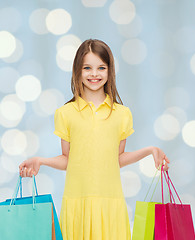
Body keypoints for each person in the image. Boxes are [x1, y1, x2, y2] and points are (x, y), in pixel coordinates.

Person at [19, 39, 170, 240]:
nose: (94, 74)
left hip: (111, 205)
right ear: (77, 71)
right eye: (87, 68)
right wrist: (41, 161)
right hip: (77, 205)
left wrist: (149, 150)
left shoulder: (121, 114)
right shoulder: (65, 113)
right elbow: (68, 159)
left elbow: (117, 158)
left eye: (101, 67)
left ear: (110, 71)